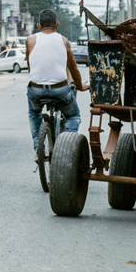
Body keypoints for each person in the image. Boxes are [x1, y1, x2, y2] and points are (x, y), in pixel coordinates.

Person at [25, 9, 89, 160]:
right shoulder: (64, 41)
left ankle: (38, 150)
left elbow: (30, 66)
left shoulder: (30, 40)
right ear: (57, 25)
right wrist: (81, 86)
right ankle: (65, 147)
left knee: (34, 113)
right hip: (59, 89)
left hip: (36, 89)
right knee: (74, 115)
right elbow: (73, 68)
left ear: (39, 25)